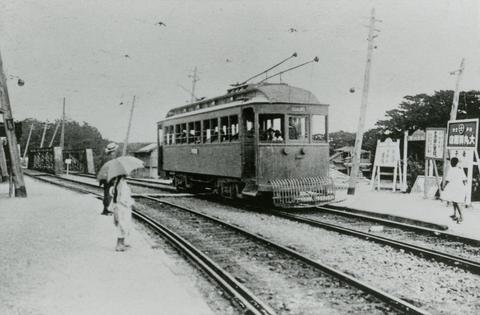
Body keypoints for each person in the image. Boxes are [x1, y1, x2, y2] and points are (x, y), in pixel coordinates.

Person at [109, 175, 134, 251]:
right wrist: (132, 202)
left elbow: (112, 193)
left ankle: (121, 243)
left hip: (118, 207)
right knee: (122, 225)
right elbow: (124, 199)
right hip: (122, 208)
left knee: (121, 225)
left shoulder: (118, 183)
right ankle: (119, 245)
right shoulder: (122, 184)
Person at [441, 157, 467, 223]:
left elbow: (447, 180)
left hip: (454, 187)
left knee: (456, 202)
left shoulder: (452, 170)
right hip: (459, 187)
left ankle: (461, 217)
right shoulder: (460, 169)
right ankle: (455, 214)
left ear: (452, 163)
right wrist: (464, 188)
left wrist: (443, 186)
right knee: (454, 201)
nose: (451, 163)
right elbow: (464, 180)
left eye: (451, 162)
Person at [99, 143, 118, 215]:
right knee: (109, 193)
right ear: (113, 151)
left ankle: (105, 209)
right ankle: (107, 210)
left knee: (106, 193)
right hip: (110, 178)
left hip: (104, 178)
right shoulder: (112, 158)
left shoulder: (105, 158)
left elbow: (101, 167)